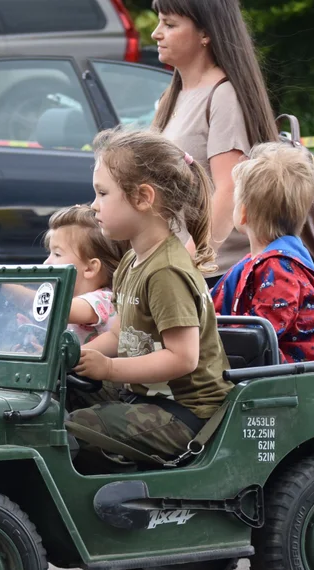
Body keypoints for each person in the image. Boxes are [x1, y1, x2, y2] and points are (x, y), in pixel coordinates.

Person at [68, 128, 232, 471]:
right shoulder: (132, 260)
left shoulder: (166, 271)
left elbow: (183, 358)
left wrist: (110, 369)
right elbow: (117, 334)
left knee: (67, 429)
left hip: (185, 414)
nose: (93, 205)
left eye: (102, 193)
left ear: (143, 198)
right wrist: (78, 357)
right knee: (57, 396)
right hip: (146, 397)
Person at [149, 0, 279, 280]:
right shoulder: (171, 98)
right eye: (160, 22)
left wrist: (189, 261)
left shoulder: (223, 96)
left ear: (205, 34)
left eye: (169, 24)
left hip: (212, 274)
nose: (156, 33)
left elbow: (228, 190)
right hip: (173, 265)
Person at [211, 142, 314, 363]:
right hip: (268, 371)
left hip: (285, 378)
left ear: (243, 213)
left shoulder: (279, 269)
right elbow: (211, 305)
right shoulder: (260, 264)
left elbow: (261, 334)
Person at [0, 204, 123, 345]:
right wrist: (35, 335)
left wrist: (2, 282)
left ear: (90, 268)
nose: (47, 263)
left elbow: (52, 308)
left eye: (57, 254)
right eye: (49, 253)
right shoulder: (69, 301)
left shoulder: (102, 300)